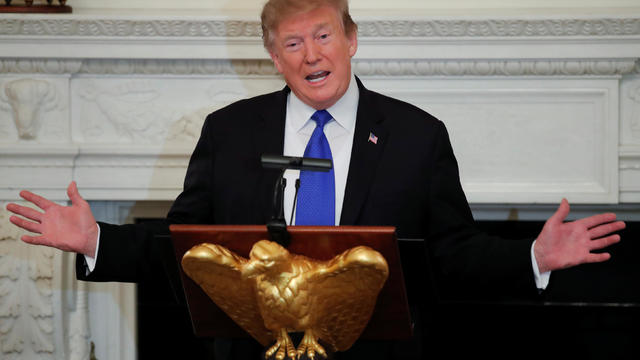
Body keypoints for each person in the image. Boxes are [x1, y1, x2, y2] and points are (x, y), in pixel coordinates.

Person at [5, 0, 626, 358]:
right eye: (294, 43)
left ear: (351, 40)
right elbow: (190, 248)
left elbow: (453, 253)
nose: (312, 55)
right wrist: (97, 242)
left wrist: (532, 258)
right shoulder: (230, 132)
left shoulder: (417, 135)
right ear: (275, 57)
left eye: (324, 35)